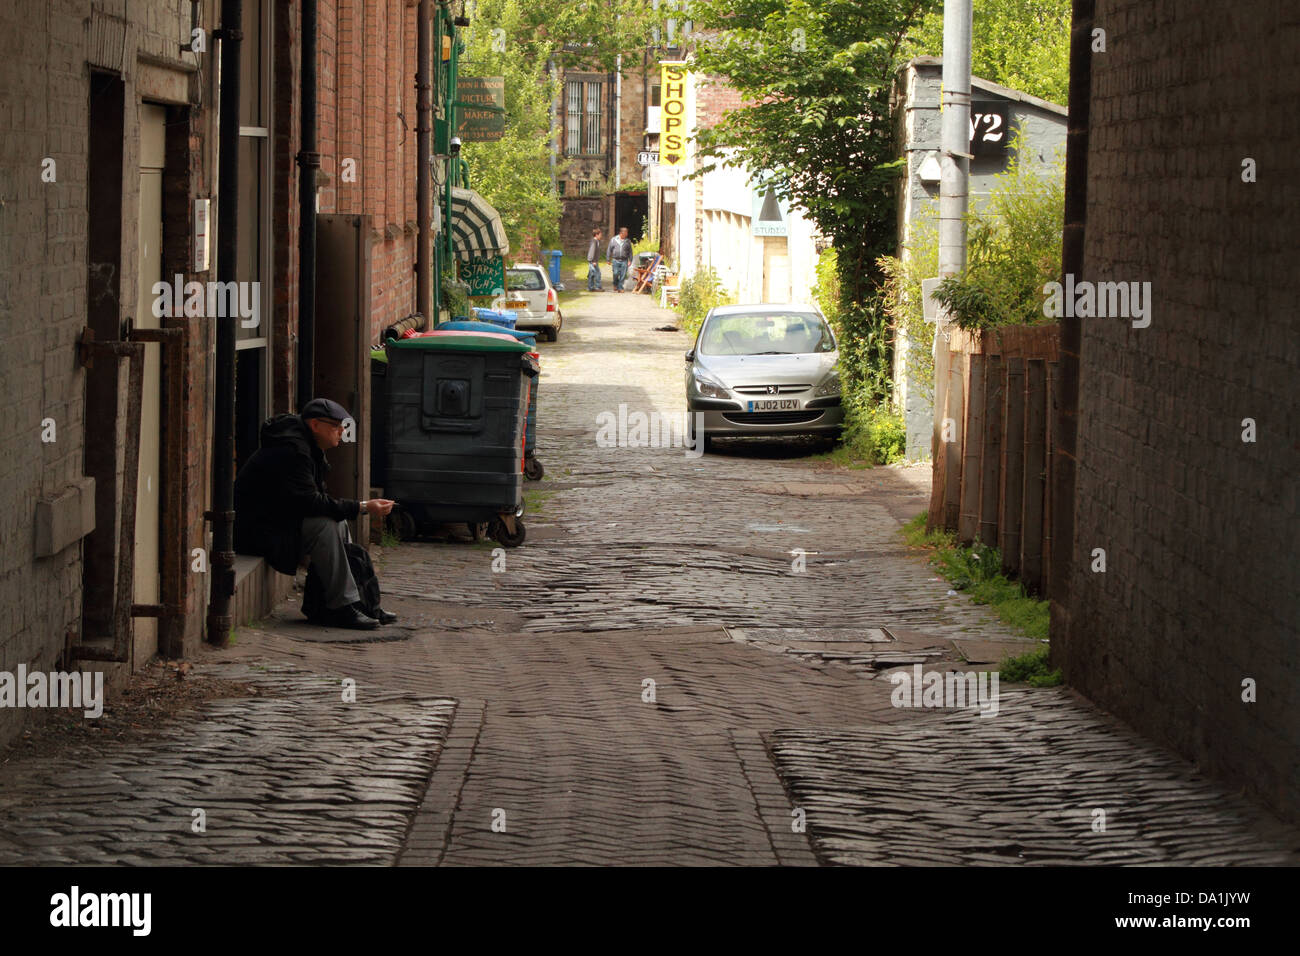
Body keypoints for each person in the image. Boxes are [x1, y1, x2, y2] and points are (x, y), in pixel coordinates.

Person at [234, 397, 398, 630]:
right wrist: (363, 507)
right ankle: (342, 606)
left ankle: (360, 602)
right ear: (315, 425)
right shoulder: (293, 450)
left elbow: (313, 501)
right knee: (326, 525)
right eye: (335, 426)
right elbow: (310, 503)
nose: (341, 431)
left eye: (342, 426)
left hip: (277, 524)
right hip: (259, 533)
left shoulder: (306, 447)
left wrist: (355, 508)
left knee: (337, 523)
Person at [607, 226, 632, 292]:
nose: (627, 234)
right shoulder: (613, 240)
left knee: (623, 275)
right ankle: (615, 284)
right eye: (626, 233)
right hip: (615, 260)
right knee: (615, 273)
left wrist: (630, 260)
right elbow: (609, 249)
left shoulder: (628, 241)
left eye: (627, 233)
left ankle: (620, 287)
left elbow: (630, 251)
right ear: (621, 233)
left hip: (624, 260)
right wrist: (608, 259)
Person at [586, 227, 604, 291]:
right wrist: (593, 261)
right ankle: (596, 287)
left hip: (594, 260)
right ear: (596, 234)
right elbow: (592, 251)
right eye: (600, 234)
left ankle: (591, 287)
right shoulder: (594, 241)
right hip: (593, 261)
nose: (601, 236)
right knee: (596, 274)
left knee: (593, 274)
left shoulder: (596, 241)